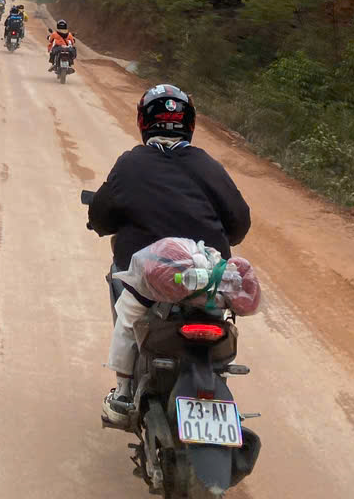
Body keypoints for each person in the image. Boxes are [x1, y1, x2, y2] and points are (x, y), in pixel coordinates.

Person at [86, 84, 250, 426]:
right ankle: (216, 375)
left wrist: (100, 222)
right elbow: (239, 220)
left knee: (129, 315)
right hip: (207, 273)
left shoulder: (132, 163)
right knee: (218, 313)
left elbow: (101, 214)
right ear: (189, 123)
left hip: (152, 278)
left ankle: (122, 393)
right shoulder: (207, 165)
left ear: (145, 122)